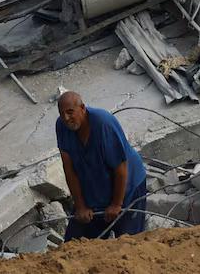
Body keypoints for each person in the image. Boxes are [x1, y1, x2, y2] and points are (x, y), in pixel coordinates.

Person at [54, 91, 147, 243]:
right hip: (95, 189)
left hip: (128, 187)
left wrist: (116, 204)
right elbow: (69, 169)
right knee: (75, 243)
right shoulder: (62, 126)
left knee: (128, 243)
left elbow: (121, 168)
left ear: (83, 108)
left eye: (70, 112)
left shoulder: (103, 124)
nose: (66, 118)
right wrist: (80, 206)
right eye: (62, 114)